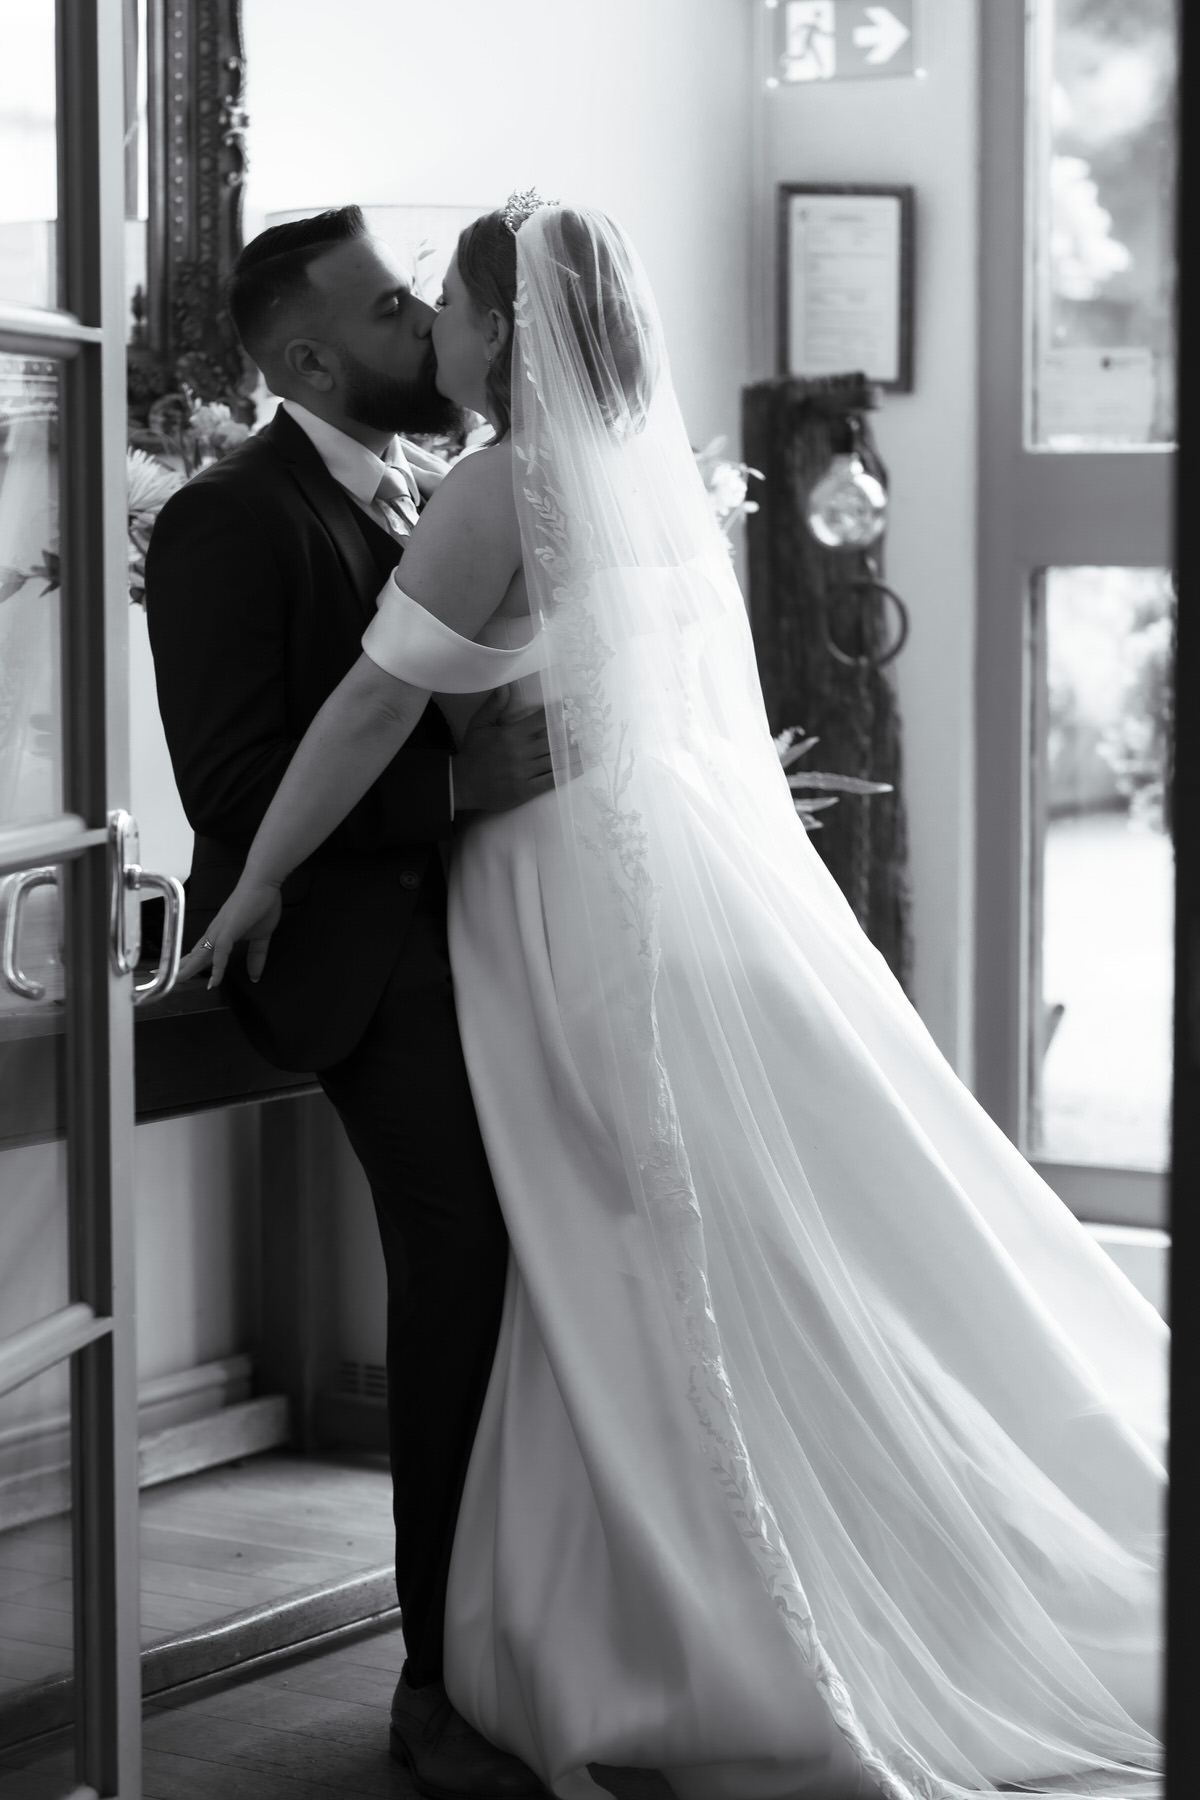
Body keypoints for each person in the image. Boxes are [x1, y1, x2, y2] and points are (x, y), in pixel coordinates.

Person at [181, 196, 1167, 1800]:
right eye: (398, 308)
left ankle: (661, 1621)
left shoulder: (500, 479)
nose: (428, 330)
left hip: (560, 908)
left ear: (505, 332)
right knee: (658, 1248)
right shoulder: (634, 484)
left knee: (617, 1250)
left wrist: (259, 880)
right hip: (627, 883)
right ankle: (696, 1588)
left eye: (442, 304)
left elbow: (371, 707)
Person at [145, 207, 553, 1798]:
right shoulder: (223, 524)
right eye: (397, 308)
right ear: (309, 355)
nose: (426, 328)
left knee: (534, 1263)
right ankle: (436, 1683)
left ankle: (528, 1627)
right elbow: (236, 792)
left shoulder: (415, 488)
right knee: (462, 1268)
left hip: (487, 941)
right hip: (359, 966)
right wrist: (456, 790)